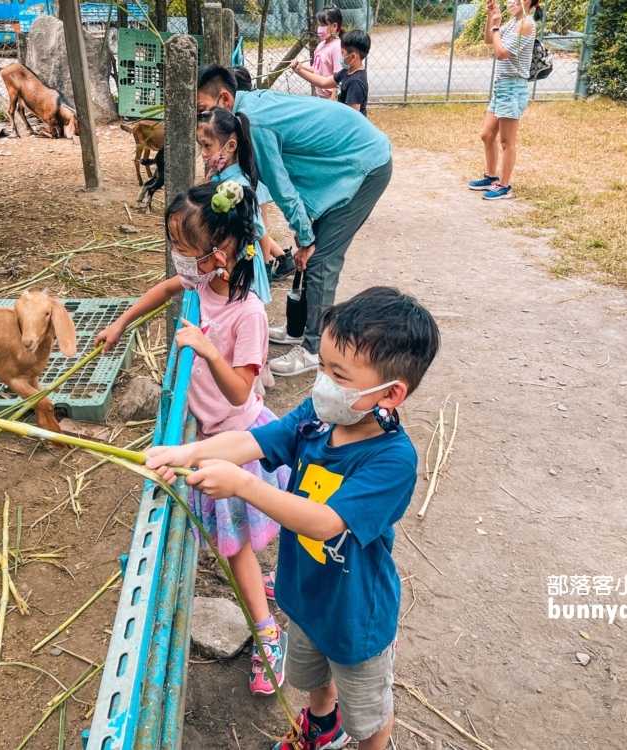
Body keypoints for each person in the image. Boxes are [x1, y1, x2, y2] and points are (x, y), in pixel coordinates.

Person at [146, 287, 440, 750]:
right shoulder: (320, 417)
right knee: (313, 679)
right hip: (303, 594)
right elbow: (256, 441)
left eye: (337, 373)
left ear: (391, 393)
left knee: (369, 714)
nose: (321, 380)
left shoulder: (392, 460)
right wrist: (188, 451)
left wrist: (244, 485)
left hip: (354, 616)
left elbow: (325, 522)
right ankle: (323, 729)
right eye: (321, 364)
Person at [95, 181, 290, 697]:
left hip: (236, 442)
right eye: (175, 248)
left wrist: (206, 349)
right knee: (243, 540)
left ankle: (266, 633)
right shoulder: (202, 284)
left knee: (237, 549)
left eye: (185, 250)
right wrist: (120, 324)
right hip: (207, 435)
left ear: (221, 252)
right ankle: (276, 589)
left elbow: (239, 388)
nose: (178, 260)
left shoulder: (248, 313)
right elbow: (165, 290)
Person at [196, 65, 393, 378]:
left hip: (364, 162)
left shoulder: (253, 123)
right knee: (312, 250)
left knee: (322, 258)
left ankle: (315, 349)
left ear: (225, 98)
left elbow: (281, 187)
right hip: (347, 157)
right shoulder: (248, 110)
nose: (203, 121)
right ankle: (300, 327)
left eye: (204, 109)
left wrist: (305, 237)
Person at [468, 0, 541, 200]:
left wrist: (497, 25)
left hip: (513, 87)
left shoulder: (527, 24)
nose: (509, 2)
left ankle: (505, 186)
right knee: (487, 135)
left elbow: (501, 53)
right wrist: (491, 17)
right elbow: (489, 40)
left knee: (507, 142)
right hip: (501, 87)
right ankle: (491, 177)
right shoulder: (512, 22)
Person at [231, 65, 297, 282]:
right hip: (256, 177)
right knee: (259, 225)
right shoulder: (249, 109)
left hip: (258, 178)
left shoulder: (245, 117)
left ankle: (267, 268)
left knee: (261, 226)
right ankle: (283, 258)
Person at [291, 29, 372, 117]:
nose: (340, 56)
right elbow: (323, 82)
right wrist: (300, 70)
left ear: (352, 57)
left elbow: (353, 118)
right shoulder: (347, 71)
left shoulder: (355, 82)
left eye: (342, 52)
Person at [312, 6, 344, 100]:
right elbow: (316, 68)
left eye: (323, 25)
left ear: (334, 26)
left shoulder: (337, 47)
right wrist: (299, 67)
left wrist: (333, 98)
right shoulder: (321, 45)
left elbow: (338, 76)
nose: (319, 28)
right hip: (320, 97)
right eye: (319, 25)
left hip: (330, 98)